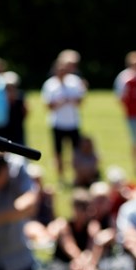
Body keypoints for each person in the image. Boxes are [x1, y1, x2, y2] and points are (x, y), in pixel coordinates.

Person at [44, 189, 110, 270]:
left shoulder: (93, 226)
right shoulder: (64, 225)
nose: (84, 212)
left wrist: (89, 264)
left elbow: (94, 248)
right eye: (80, 208)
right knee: (72, 269)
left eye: (86, 208)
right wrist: (81, 262)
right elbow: (70, 247)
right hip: (66, 263)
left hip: (87, 263)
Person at [41, 49, 87, 183]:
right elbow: (47, 106)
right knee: (58, 153)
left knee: (76, 152)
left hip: (73, 122)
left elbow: (81, 100)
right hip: (57, 123)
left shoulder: (75, 81)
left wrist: (72, 100)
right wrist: (59, 103)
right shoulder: (50, 85)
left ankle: (76, 175)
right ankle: (61, 177)